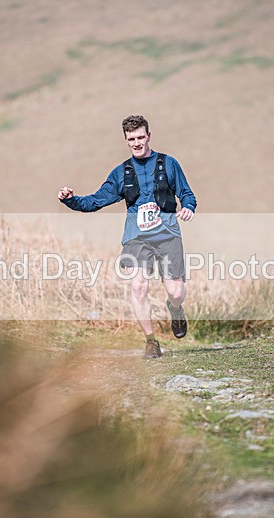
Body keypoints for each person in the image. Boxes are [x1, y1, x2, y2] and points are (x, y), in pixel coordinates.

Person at [58, 115, 196, 359]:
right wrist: (71, 200)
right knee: (138, 286)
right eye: (131, 139)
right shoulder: (121, 173)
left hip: (168, 234)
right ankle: (151, 341)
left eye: (141, 137)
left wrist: (188, 206)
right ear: (126, 140)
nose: (137, 143)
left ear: (149, 136)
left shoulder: (169, 164)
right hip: (137, 238)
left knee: (175, 291)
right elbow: (95, 201)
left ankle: (175, 309)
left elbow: (186, 193)